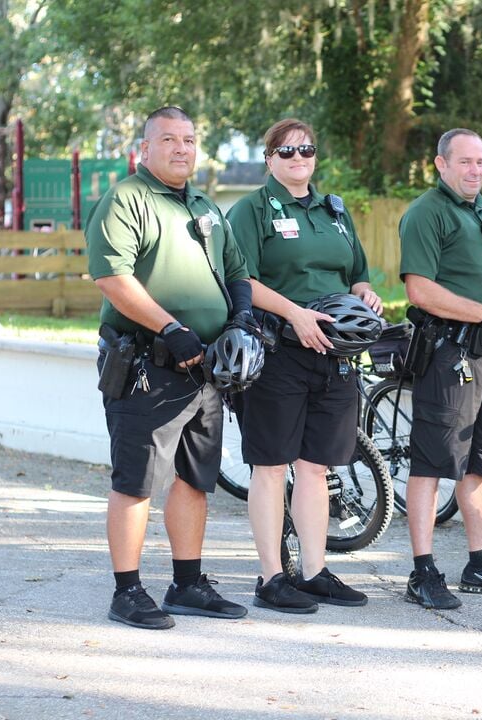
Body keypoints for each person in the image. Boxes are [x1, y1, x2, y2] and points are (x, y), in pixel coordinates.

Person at [87, 106, 253, 629]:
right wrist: (169, 328)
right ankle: (127, 591)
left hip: (204, 369)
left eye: (189, 139)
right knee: (135, 481)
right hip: (147, 366)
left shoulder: (204, 204)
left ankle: (187, 584)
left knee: (194, 479)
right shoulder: (127, 199)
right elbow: (113, 278)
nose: (182, 148)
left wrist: (242, 317)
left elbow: (237, 271)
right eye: (169, 139)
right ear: (145, 148)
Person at [226, 118, 382, 614]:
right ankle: (271, 576)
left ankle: (314, 572)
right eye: (286, 152)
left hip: (333, 357)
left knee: (315, 469)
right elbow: (241, 278)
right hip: (279, 352)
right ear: (270, 158)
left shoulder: (334, 210)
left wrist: (365, 294)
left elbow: (356, 273)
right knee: (271, 468)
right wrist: (293, 311)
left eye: (306, 150)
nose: (298, 159)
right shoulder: (252, 210)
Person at [398, 128, 482, 609]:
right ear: (441, 165)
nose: (476, 170)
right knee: (433, 462)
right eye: (465, 162)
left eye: (481, 162)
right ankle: (422, 571)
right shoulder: (427, 213)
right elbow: (420, 289)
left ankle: (481, 564)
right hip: (449, 356)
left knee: (479, 461)